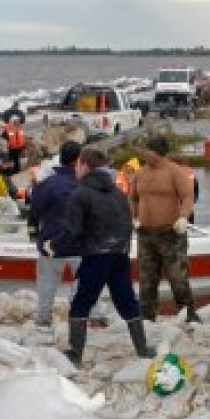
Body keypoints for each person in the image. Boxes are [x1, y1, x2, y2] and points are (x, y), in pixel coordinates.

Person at [45, 148, 155, 363]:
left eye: (77, 165)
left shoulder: (81, 194)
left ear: (85, 166)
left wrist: (54, 246)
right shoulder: (118, 193)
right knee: (127, 301)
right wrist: (121, 247)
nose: (76, 169)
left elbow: (72, 230)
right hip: (119, 255)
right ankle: (143, 349)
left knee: (81, 303)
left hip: (95, 256)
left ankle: (75, 354)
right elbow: (127, 223)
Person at [130, 136, 198, 322]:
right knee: (147, 281)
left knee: (178, 279)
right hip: (145, 234)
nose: (145, 155)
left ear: (159, 153)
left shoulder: (175, 172)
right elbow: (133, 198)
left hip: (171, 233)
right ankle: (147, 317)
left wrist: (183, 217)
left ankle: (189, 316)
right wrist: (134, 217)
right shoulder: (140, 174)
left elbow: (188, 196)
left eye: (148, 151)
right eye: (144, 151)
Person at [29, 140, 83, 328]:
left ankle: (43, 319)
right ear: (78, 160)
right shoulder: (83, 184)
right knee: (83, 285)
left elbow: (35, 209)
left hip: (50, 242)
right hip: (80, 244)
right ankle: (80, 320)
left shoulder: (46, 183)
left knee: (47, 285)